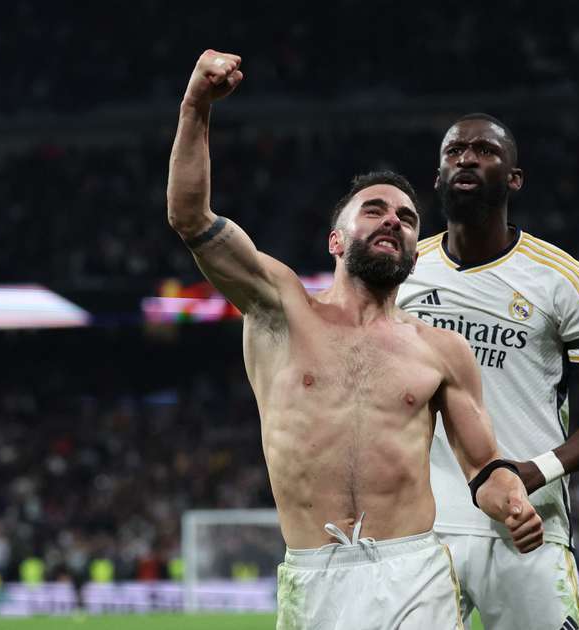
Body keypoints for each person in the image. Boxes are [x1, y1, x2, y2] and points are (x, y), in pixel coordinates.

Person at [166, 51, 543, 630]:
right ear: (336, 241)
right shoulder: (279, 307)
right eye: (375, 210)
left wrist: (510, 503)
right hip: (315, 578)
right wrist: (196, 106)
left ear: (417, 251)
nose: (394, 220)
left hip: (414, 571)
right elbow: (192, 219)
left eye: (408, 218)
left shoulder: (442, 352)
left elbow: (484, 469)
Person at [397, 113, 579, 630]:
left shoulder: (560, 279)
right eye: (454, 151)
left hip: (528, 525)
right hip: (423, 529)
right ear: (438, 177)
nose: (465, 157)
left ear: (514, 177)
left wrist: (534, 472)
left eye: (484, 150)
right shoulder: (403, 272)